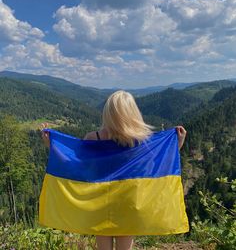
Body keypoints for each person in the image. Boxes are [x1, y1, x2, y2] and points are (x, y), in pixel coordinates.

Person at [41, 90, 187, 250]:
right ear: (133, 114)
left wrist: (52, 145)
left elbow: (76, 165)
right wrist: (177, 143)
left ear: (108, 114)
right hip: (128, 203)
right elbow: (160, 162)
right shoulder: (141, 141)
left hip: (100, 202)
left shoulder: (93, 138)